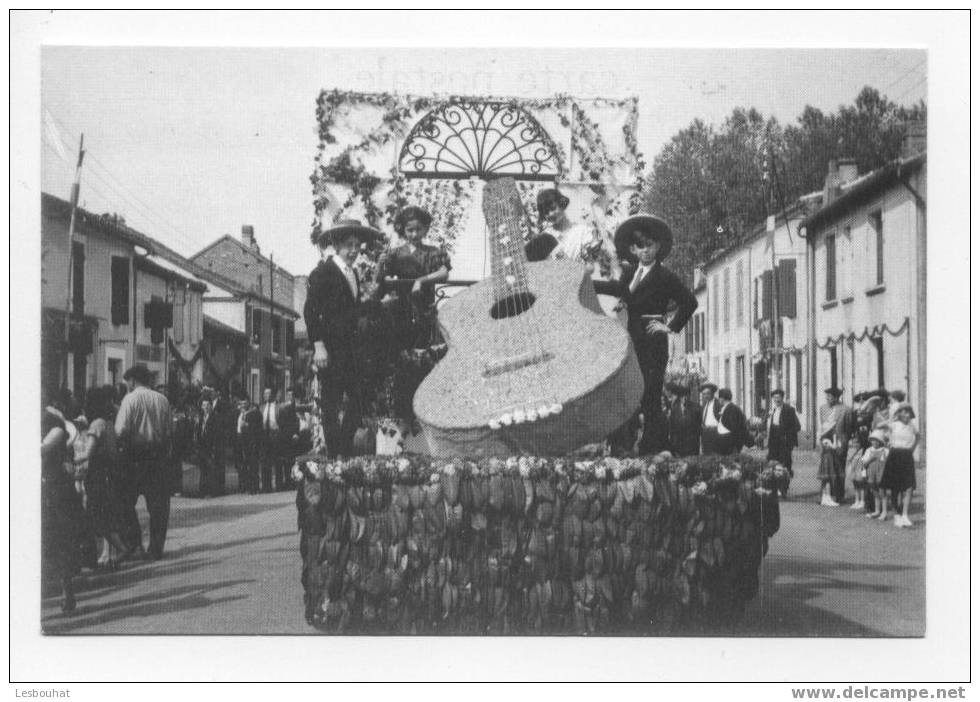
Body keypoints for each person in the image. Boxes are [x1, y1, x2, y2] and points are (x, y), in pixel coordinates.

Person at [593, 214, 698, 455]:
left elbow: (689, 301)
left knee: (651, 395)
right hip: (632, 341)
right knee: (630, 392)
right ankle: (625, 446)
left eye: (650, 245)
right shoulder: (630, 273)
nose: (646, 251)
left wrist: (669, 326)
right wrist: (588, 283)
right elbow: (616, 288)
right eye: (641, 246)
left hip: (652, 341)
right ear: (633, 249)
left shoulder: (665, 276)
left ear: (658, 246)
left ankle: (654, 448)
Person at [305, 219, 384, 458]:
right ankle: (335, 458)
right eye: (348, 245)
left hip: (351, 351)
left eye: (357, 246)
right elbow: (310, 310)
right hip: (330, 350)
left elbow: (352, 310)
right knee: (331, 405)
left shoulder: (353, 274)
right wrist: (318, 346)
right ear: (337, 246)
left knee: (360, 399)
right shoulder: (323, 272)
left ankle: (343, 449)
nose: (353, 251)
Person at [115, 364, 173, 560]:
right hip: (157, 456)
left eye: (128, 382)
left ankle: (134, 542)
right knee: (158, 506)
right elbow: (168, 432)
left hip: (134, 456)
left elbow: (121, 430)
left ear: (132, 380)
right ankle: (155, 548)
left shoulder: (129, 400)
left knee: (124, 501)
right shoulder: (163, 400)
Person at [76, 386, 130, 570]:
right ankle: (108, 553)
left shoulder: (96, 424)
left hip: (96, 476)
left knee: (95, 517)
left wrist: (70, 459)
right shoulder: (107, 422)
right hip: (106, 475)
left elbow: (87, 453)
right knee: (101, 516)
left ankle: (117, 550)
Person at [42, 402, 82, 613]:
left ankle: (67, 590)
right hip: (50, 488)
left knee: (59, 540)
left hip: (54, 489)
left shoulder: (54, 423)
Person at [880, 402, 919, 528]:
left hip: (907, 456)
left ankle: (905, 515)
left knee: (909, 487)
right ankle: (897, 515)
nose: (907, 415)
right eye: (904, 412)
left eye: (908, 412)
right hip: (895, 455)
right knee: (895, 487)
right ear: (900, 414)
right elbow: (879, 425)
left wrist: (912, 449)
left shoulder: (912, 426)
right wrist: (892, 418)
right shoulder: (894, 425)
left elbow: (918, 437)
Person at [816, 387, 849, 507]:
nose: (827, 399)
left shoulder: (845, 409)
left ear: (836, 397)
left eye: (829, 397)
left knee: (839, 469)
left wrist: (843, 441)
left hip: (840, 442)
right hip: (826, 441)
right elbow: (823, 425)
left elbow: (848, 427)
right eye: (827, 396)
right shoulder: (823, 409)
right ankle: (826, 496)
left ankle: (838, 495)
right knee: (827, 469)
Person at [765, 389, 801, 496]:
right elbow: (770, 426)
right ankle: (775, 487)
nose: (776, 399)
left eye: (778, 397)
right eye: (774, 398)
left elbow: (797, 426)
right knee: (773, 464)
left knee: (784, 465)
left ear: (782, 398)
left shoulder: (789, 410)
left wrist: (787, 437)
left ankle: (783, 488)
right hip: (773, 440)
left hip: (784, 441)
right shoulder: (773, 410)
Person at [195, 397, 222, 497]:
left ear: (211, 406)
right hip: (202, 448)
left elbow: (217, 435)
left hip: (210, 448)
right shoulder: (201, 418)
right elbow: (198, 432)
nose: (205, 407)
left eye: (207, 405)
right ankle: (202, 491)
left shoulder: (215, 418)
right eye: (203, 405)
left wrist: (214, 449)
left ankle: (210, 492)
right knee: (203, 470)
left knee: (210, 471)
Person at [665, 381, 700, 457]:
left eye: (686, 396)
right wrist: (673, 443)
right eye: (682, 396)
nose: (684, 399)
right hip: (679, 444)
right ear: (679, 397)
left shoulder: (696, 408)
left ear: (689, 396)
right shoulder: (674, 409)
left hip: (692, 444)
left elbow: (698, 427)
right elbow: (672, 427)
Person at [236, 399, 263, 494]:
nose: (243, 405)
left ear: (248, 404)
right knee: (243, 466)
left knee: (252, 466)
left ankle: (254, 488)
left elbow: (257, 428)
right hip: (240, 442)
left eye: (245, 403)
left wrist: (247, 424)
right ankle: (244, 486)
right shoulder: (239, 414)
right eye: (241, 403)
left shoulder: (254, 414)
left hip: (251, 443)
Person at [863, 429, 890, 520]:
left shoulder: (885, 450)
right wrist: (871, 459)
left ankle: (884, 512)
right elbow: (864, 464)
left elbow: (889, 463)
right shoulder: (868, 451)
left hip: (881, 474)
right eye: (873, 440)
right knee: (875, 492)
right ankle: (877, 510)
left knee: (882, 493)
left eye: (876, 440)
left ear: (880, 441)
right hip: (871, 474)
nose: (874, 442)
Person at [715, 388, 751, 455]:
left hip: (730, 442)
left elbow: (736, 428)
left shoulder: (732, 409)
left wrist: (736, 444)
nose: (718, 400)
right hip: (723, 441)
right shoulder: (725, 408)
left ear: (722, 398)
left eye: (719, 398)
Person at [259, 388, 281, 492]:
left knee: (276, 460)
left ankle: (278, 485)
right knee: (265, 461)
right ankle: (266, 486)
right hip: (264, 435)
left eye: (268, 393)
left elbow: (281, 421)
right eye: (265, 394)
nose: (266, 395)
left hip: (275, 434)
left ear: (272, 395)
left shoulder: (278, 407)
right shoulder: (261, 407)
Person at [699, 382, 722, 455]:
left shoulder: (718, 404)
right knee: (706, 455)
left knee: (716, 455)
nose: (705, 396)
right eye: (704, 394)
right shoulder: (705, 405)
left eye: (708, 393)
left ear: (713, 393)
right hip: (706, 434)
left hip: (715, 433)